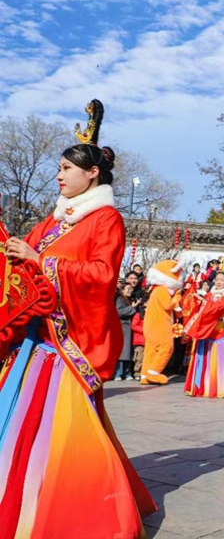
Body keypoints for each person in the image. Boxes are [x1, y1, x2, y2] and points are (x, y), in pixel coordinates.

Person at [0, 102, 156, 536]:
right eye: (59, 168)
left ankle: (83, 508)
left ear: (92, 174)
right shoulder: (51, 223)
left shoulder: (106, 219)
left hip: (67, 346)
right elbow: (23, 267)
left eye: (67, 168)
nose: (59, 175)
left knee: (69, 434)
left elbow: (103, 276)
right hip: (32, 344)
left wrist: (40, 262)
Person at [184, 271, 224, 398]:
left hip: (217, 332)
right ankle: (202, 387)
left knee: (222, 360)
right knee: (203, 358)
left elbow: (215, 310)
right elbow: (202, 310)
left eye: (222, 280)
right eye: (217, 279)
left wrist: (204, 302)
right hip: (205, 330)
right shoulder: (210, 294)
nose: (218, 282)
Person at [140, 259, 184, 385]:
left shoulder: (157, 290)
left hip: (151, 325)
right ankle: (153, 372)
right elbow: (168, 304)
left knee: (151, 350)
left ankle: (144, 375)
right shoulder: (161, 290)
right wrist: (177, 297)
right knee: (167, 347)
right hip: (158, 325)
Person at [114, 282, 140, 380]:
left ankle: (128, 372)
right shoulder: (119, 299)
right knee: (122, 350)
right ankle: (119, 373)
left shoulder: (131, 299)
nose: (130, 290)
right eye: (127, 288)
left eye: (131, 289)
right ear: (122, 290)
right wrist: (132, 307)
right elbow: (120, 312)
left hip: (131, 327)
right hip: (123, 326)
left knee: (130, 351)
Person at [131, 299, 146, 381]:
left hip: (148, 340)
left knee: (146, 357)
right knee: (139, 357)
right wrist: (144, 329)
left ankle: (144, 372)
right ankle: (137, 373)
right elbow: (134, 326)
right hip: (140, 340)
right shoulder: (138, 314)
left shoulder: (151, 314)